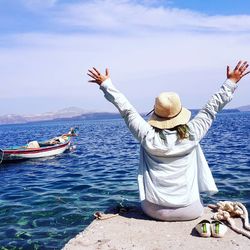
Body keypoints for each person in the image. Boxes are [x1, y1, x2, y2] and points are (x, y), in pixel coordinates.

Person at [87, 61, 249, 221]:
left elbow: (126, 109)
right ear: (180, 113)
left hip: (154, 210)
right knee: (198, 201)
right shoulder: (193, 133)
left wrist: (106, 84)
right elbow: (211, 108)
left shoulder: (146, 135)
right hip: (190, 211)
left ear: (156, 114)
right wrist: (231, 82)